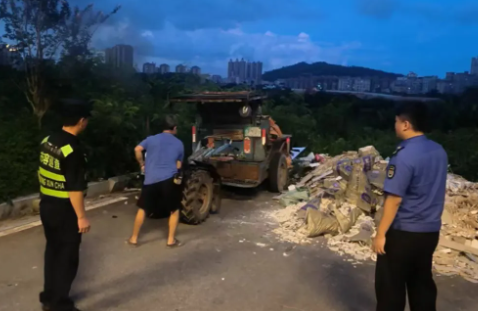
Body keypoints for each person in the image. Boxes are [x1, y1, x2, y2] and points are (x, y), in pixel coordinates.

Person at [373, 101, 448, 311]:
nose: (394, 125)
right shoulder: (438, 151)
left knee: (390, 288)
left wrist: (381, 234)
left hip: (403, 233)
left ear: (406, 124)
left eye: (396, 121)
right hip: (430, 232)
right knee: (421, 284)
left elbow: (394, 199)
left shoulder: (404, 155)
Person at [38, 99, 92, 311]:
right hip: (65, 211)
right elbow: (74, 188)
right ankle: (60, 304)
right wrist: (81, 216)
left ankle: (48, 296)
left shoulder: (47, 140)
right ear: (81, 121)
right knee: (67, 258)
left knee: (52, 252)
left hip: (47, 206)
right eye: (86, 120)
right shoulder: (73, 149)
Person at [127, 115, 184, 247]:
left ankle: (134, 238)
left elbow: (137, 149)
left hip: (150, 179)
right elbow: (178, 164)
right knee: (174, 210)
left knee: (143, 208)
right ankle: (171, 240)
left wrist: (142, 164)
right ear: (174, 128)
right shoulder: (179, 143)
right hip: (169, 180)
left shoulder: (151, 139)